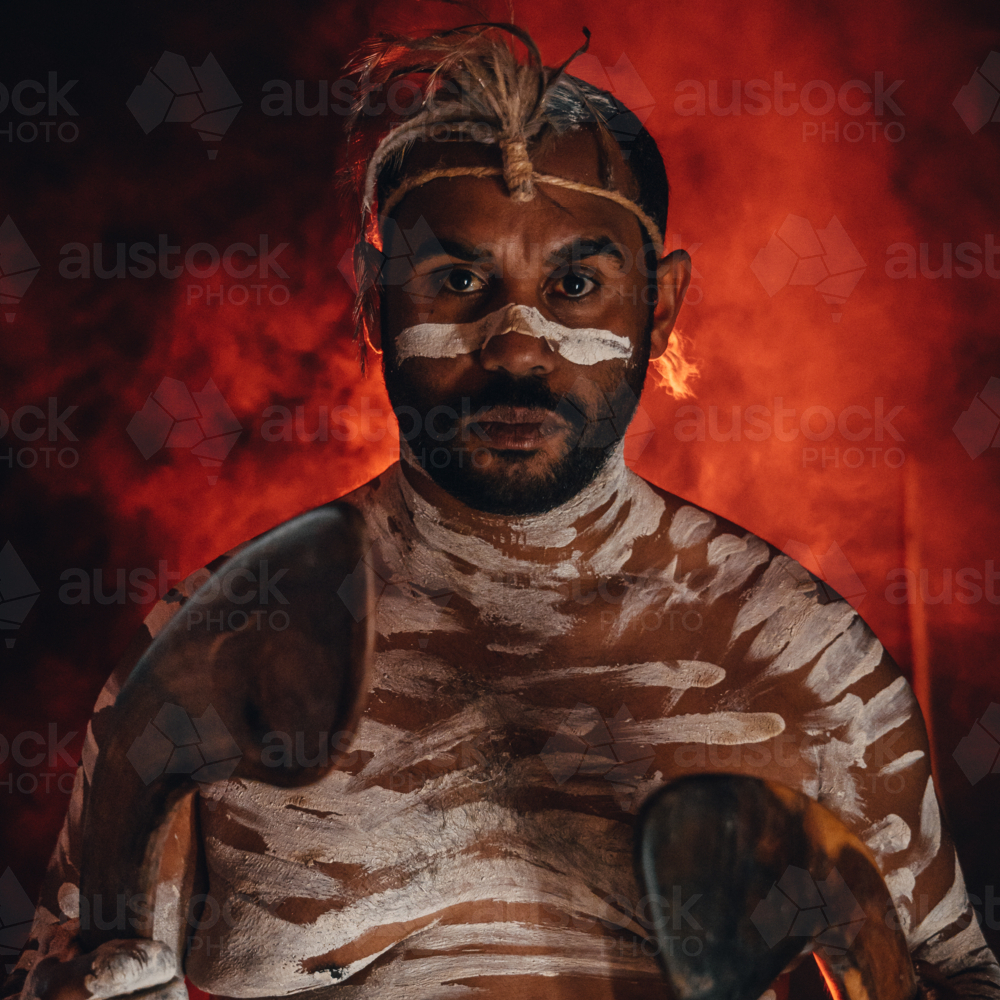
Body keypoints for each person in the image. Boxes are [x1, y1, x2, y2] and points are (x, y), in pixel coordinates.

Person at [5, 21, 999, 1000]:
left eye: (574, 284)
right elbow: (68, 962)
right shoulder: (213, 656)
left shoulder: (808, 668)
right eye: (458, 280)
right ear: (372, 298)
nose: (517, 345)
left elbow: (958, 975)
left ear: (659, 304)